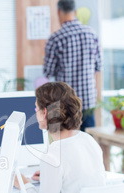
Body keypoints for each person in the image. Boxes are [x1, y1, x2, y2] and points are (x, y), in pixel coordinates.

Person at [14, 82, 105, 193]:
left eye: (36, 108)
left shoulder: (53, 155)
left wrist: (25, 185)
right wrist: (51, 176)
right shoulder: (88, 140)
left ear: (44, 113)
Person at [43, 0, 102, 131]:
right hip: (87, 102)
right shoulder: (92, 34)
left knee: (66, 144)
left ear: (58, 12)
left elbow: (48, 72)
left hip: (65, 104)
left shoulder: (55, 39)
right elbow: (98, 66)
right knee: (87, 143)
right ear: (75, 12)